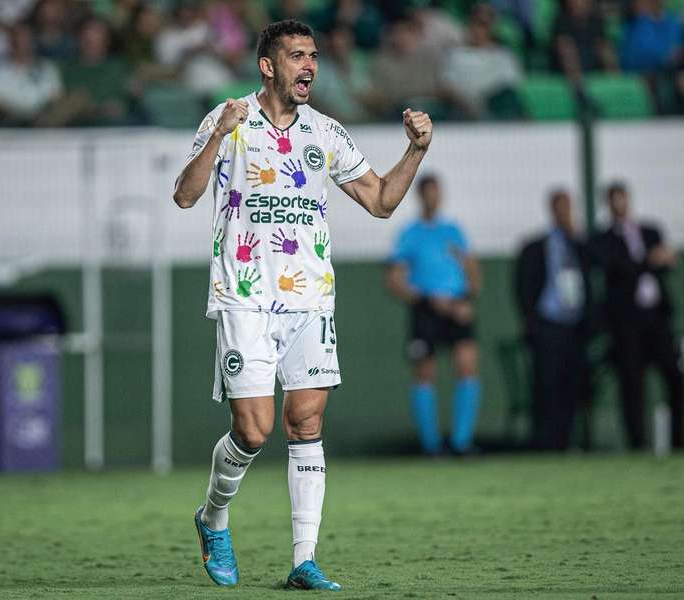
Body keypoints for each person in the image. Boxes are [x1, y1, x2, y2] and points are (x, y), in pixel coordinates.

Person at [172, 19, 433, 591]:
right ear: (268, 66)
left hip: (310, 299)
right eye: (297, 56)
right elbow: (186, 194)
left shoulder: (327, 133)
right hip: (243, 297)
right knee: (254, 431)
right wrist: (218, 134)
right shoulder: (229, 120)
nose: (309, 65)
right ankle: (213, 517)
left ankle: (304, 560)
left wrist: (415, 151)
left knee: (306, 420)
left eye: (313, 55)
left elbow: (383, 201)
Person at [386, 174, 482, 456]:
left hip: (457, 308)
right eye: (429, 193)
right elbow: (395, 281)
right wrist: (427, 299)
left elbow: (473, 271)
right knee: (425, 374)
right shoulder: (410, 233)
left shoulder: (454, 231)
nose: (434, 198)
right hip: (426, 311)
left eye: (437, 192)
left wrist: (466, 299)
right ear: (420, 195)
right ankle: (432, 446)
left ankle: (461, 442)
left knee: (467, 366)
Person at [592, 182, 684, 451]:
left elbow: (664, 262)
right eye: (614, 200)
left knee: (674, 376)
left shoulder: (650, 230)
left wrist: (662, 260)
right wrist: (649, 260)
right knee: (632, 382)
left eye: (623, 199)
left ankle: (680, 441)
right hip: (626, 323)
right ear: (608, 204)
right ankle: (638, 443)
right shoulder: (602, 240)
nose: (620, 205)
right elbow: (618, 271)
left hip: (657, 319)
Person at [515, 190, 593, 451]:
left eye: (568, 207)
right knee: (545, 383)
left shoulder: (581, 245)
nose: (564, 212)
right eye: (560, 207)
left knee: (571, 384)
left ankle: (567, 440)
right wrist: (530, 319)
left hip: (575, 326)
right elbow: (523, 286)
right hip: (548, 325)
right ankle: (544, 442)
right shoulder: (537, 246)